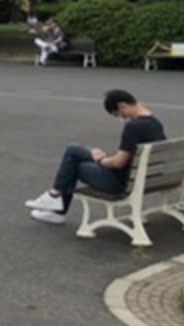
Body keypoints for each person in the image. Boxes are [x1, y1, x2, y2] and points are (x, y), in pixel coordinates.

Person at [26, 88, 166, 225]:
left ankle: (55, 202)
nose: (121, 119)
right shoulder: (156, 124)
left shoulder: (133, 127)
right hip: (146, 179)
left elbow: (118, 163)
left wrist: (101, 160)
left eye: (118, 114)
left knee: (74, 162)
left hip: (121, 183)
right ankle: (54, 198)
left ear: (122, 106)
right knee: (74, 150)